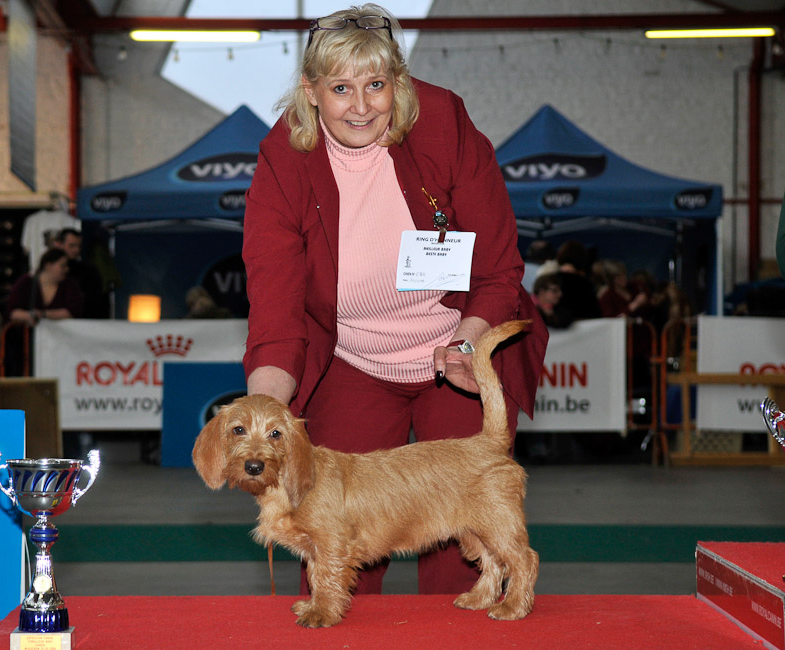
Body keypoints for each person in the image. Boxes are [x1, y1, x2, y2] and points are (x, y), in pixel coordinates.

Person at [241, 4, 548, 597]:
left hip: (456, 349)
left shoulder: (441, 123)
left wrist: (469, 341)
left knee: (464, 536)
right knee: (338, 534)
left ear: (398, 83)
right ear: (310, 92)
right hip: (352, 360)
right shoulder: (284, 159)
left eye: (377, 85)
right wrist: (263, 416)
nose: (361, 106)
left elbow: (498, 264)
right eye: (340, 88)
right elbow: (276, 304)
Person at [6, 248, 84, 326]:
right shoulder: (25, 282)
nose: (67, 269)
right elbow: (12, 311)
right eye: (62, 266)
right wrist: (29, 316)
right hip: (29, 335)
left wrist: (42, 314)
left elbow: (73, 312)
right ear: (48, 266)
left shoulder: (70, 285)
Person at [52, 227, 109, 318]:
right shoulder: (49, 272)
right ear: (60, 244)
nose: (76, 250)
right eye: (71, 246)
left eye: (79, 246)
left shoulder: (89, 271)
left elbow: (97, 303)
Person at [551, 240, 601, 327]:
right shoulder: (585, 284)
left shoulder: (550, 280)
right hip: (582, 331)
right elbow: (594, 313)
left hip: (555, 330)